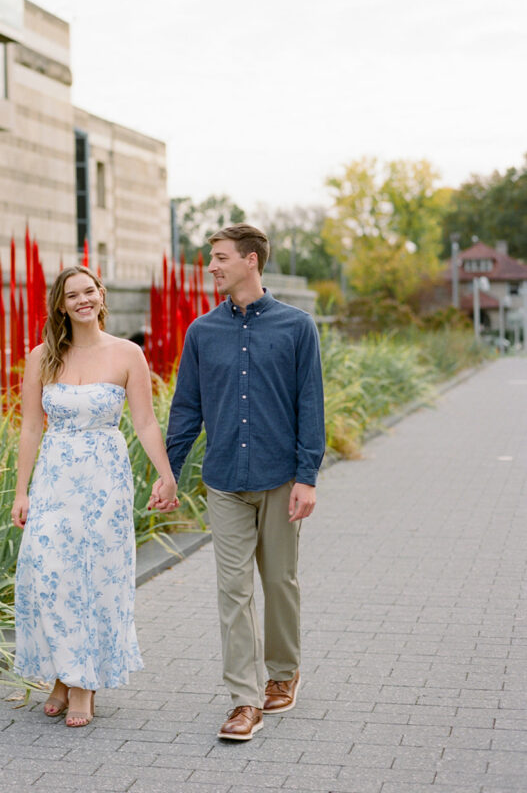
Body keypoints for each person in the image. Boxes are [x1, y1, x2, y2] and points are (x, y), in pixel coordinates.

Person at [153, 224, 325, 741]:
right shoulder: (201, 332)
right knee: (232, 591)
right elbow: (186, 409)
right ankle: (244, 701)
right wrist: (169, 472)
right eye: (211, 258)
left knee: (279, 583)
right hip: (225, 480)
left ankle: (283, 672)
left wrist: (307, 477)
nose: (211, 266)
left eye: (221, 257)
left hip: (279, 478)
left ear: (251, 260)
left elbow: (310, 406)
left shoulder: (298, 327)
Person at [12, 265, 179, 728]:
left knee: (93, 576)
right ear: (61, 305)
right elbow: (29, 426)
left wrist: (166, 475)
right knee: (46, 571)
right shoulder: (41, 357)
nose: (83, 300)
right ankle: (64, 674)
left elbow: (145, 422)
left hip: (105, 477)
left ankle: (83, 685)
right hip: (54, 478)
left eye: (89, 291)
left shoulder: (128, 354)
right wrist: (21, 490)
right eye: (73, 295)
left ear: (101, 296)